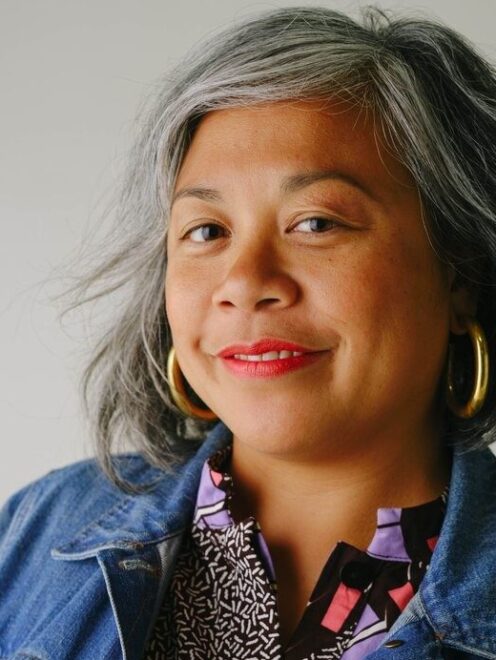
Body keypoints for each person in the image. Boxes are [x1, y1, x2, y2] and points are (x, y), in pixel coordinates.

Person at [1, 5, 496, 659]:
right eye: (207, 231)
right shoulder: (39, 530)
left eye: (316, 222)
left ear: (458, 272)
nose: (244, 280)